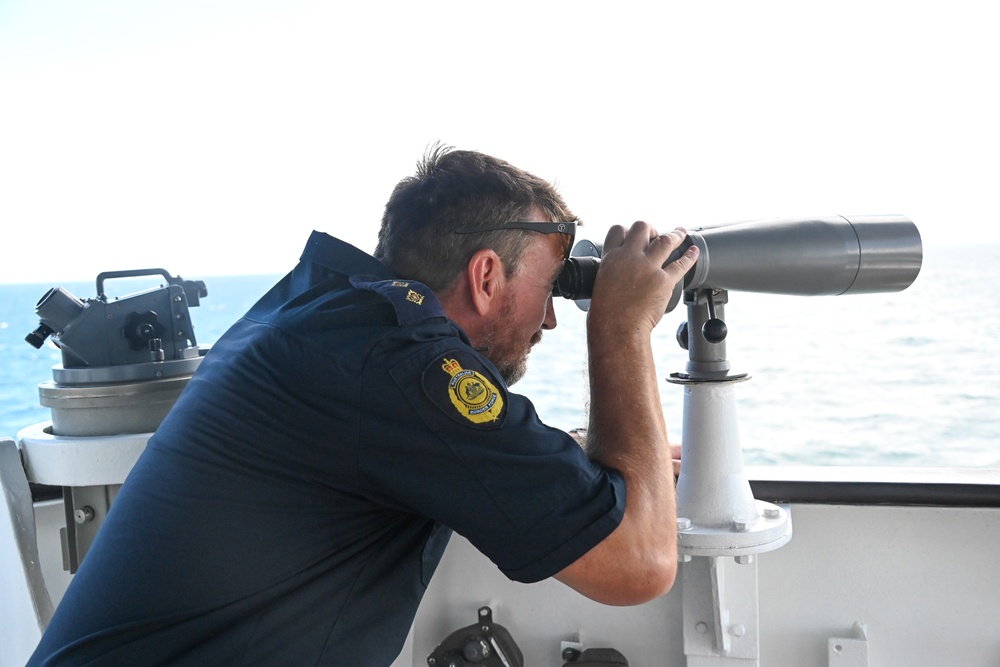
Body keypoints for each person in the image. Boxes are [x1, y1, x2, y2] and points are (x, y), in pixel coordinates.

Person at [29, 146, 700, 666]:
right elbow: (638, 563)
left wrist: (579, 448)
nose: (552, 319)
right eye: (551, 287)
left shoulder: (327, 319)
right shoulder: (400, 364)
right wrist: (620, 327)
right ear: (487, 275)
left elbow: (424, 433)